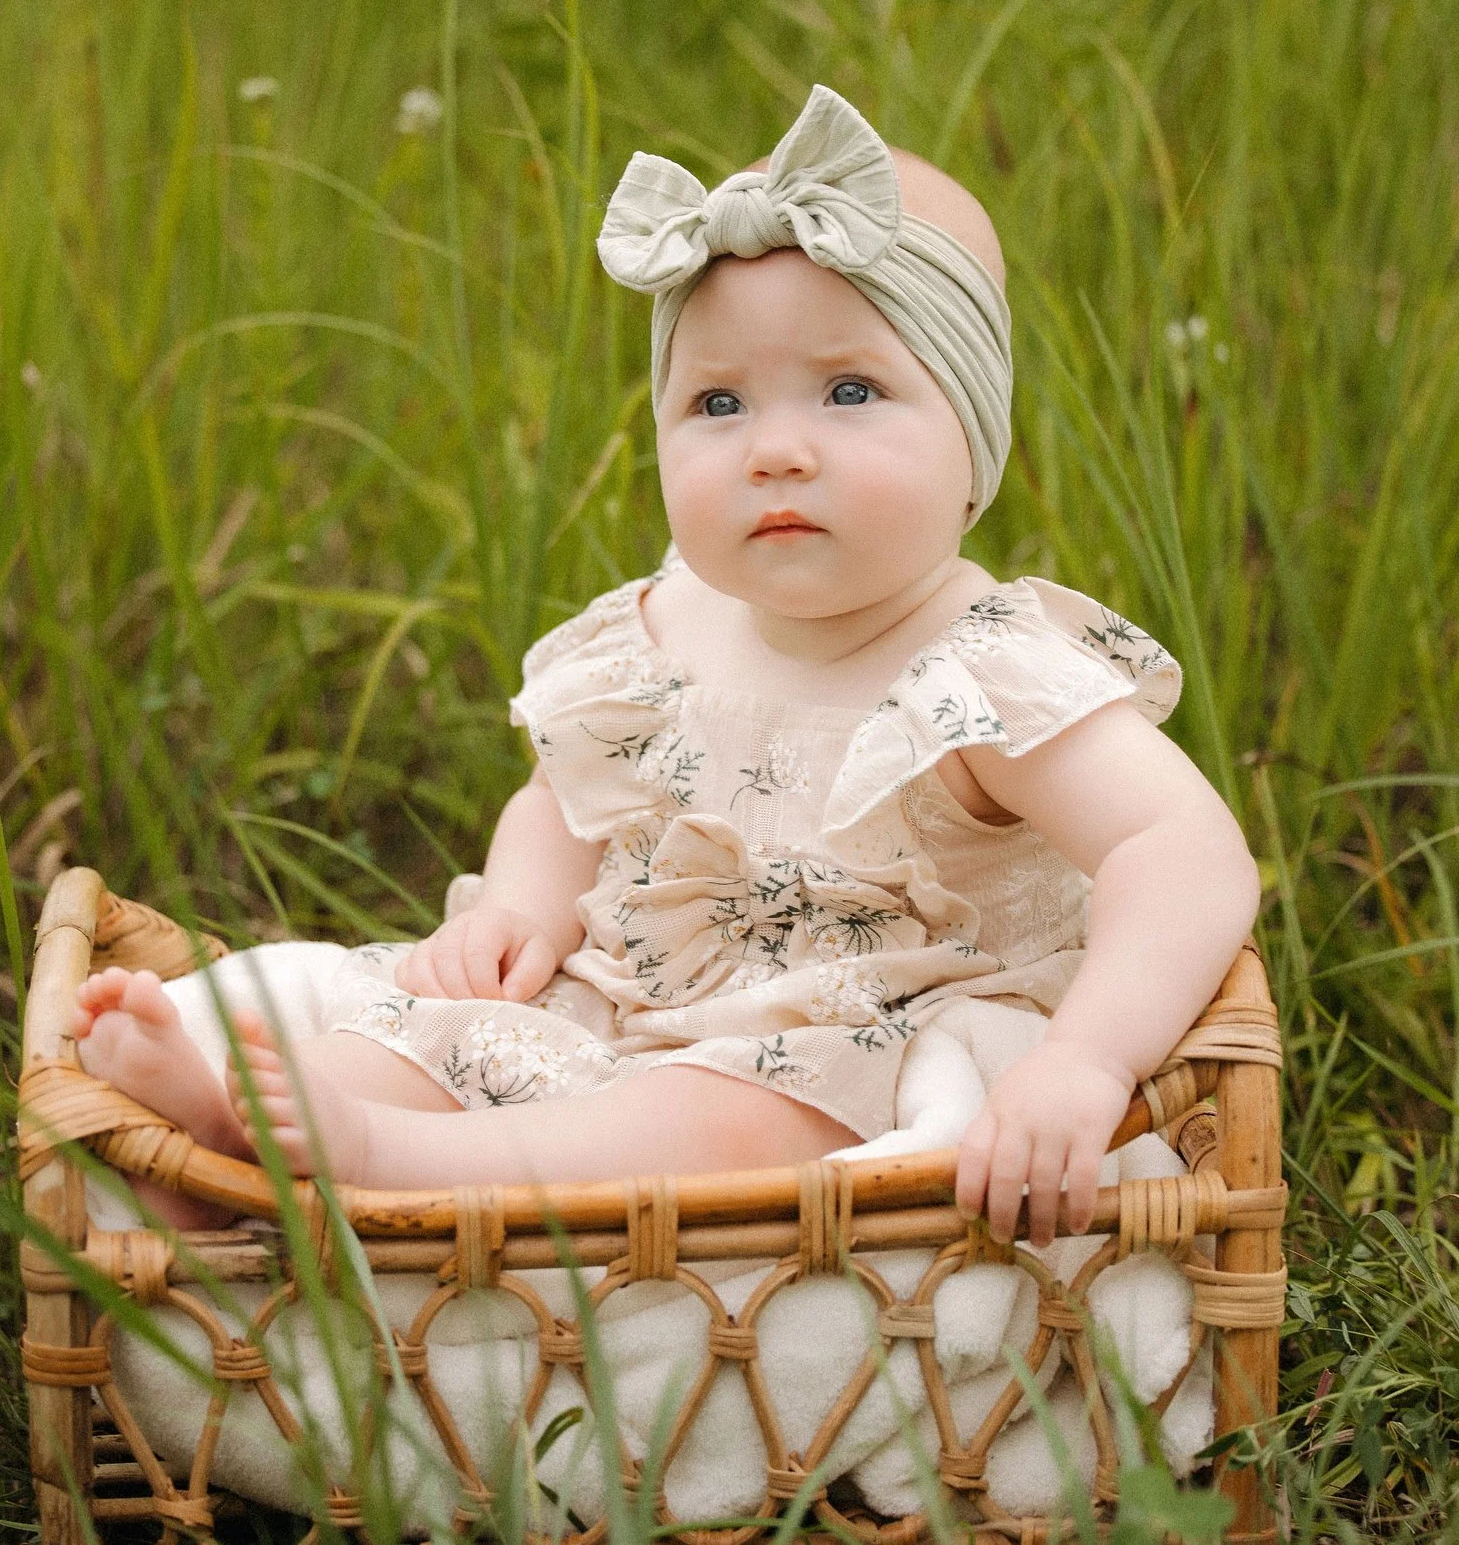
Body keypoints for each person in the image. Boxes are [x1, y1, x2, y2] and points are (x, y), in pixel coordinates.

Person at [70, 85, 1260, 1249]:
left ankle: (381, 1163)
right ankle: (236, 1135)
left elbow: (1185, 851)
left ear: (974, 440)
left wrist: (1084, 1060)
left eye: (851, 391)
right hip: (615, 1001)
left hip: (822, 1050)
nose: (776, 451)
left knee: (709, 1124)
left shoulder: (989, 674)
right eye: (717, 402)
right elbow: (567, 794)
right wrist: (521, 906)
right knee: (429, 1032)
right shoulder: (662, 625)